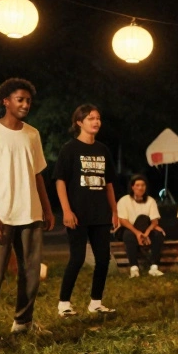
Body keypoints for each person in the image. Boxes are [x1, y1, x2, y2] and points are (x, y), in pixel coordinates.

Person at [0, 77, 56, 342]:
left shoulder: (32, 134)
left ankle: (23, 321)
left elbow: (38, 174)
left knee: (31, 272)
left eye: (28, 100)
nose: (25, 104)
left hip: (30, 212)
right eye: (20, 99)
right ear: (5, 101)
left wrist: (48, 210)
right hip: (1, 214)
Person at [54, 104, 120, 318]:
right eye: (91, 118)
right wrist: (66, 210)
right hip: (77, 213)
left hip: (100, 213)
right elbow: (60, 181)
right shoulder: (69, 149)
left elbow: (108, 183)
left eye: (98, 117)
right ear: (79, 123)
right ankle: (64, 303)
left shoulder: (102, 149)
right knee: (77, 258)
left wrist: (114, 211)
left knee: (103, 259)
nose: (96, 121)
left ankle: (96, 302)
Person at [119, 175, 165, 277]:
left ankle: (154, 267)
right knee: (128, 235)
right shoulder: (124, 200)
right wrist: (137, 233)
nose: (140, 188)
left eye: (143, 185)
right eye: (137, 185)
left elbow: (154, 221)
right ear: (132, 187)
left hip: (145, 229)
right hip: (129, 228)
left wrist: (146, 233)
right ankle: (134, 268)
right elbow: (123, 220)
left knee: (158, 234)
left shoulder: (150, 200)